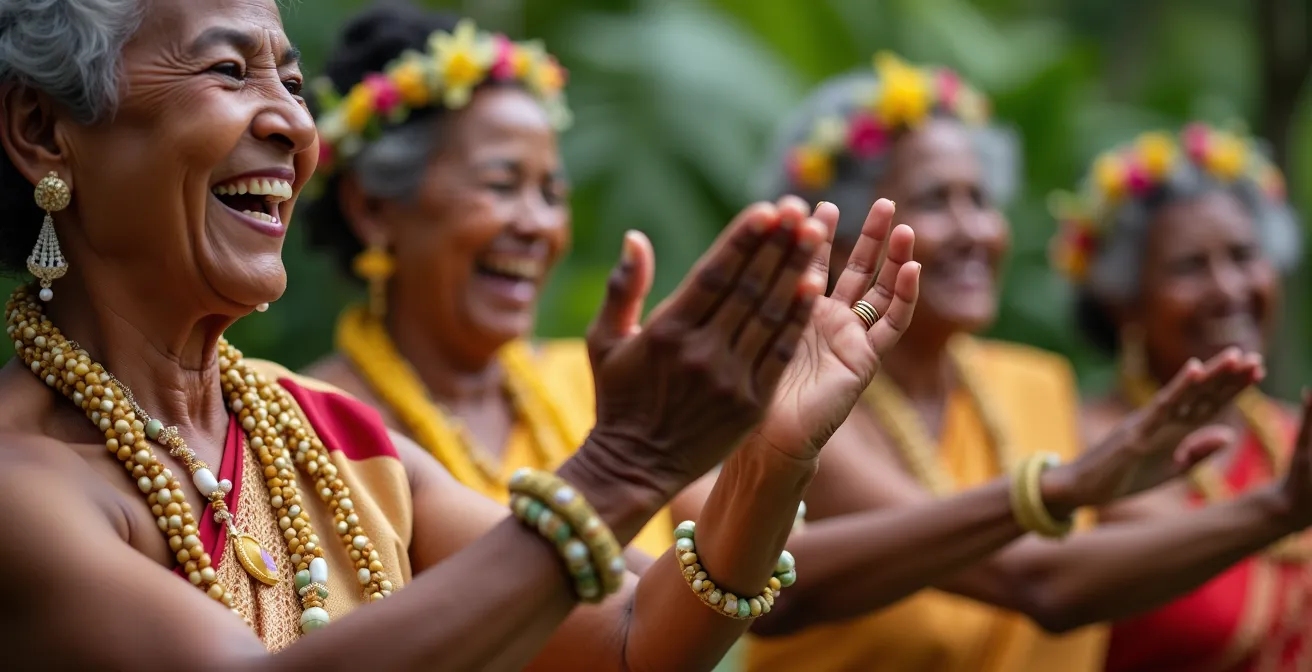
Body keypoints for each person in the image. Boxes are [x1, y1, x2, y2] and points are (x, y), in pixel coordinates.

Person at [0, 0, 933, 668]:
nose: (293, 123)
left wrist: (772, 459)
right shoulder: (23, 486)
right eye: (228, 71)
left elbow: (633, 639)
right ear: (43, 128)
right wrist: (622, 465)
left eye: (292, 80)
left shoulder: (322, 434)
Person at [674, 55, 1309, 672]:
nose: (974, 230)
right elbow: (1037, 582)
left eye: (980, 199)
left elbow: (1102, 565)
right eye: (936, 200)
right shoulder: (802, 409)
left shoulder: (1037, 383)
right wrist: (1276, 510)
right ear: (842, 241)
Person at [298, 6, 681, 559]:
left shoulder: (597, 383)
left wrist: (776, 448)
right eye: (501, 185)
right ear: (373, 210)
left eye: (552, 194)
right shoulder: (320, 430)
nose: (537, 225)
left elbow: (740, 559)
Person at [1052, 123, 1312, 671]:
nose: (1229, 288)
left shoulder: (1296, 440)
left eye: (1243, 255)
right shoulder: (1077, 451)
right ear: (1124, 301)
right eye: (1190, 266)